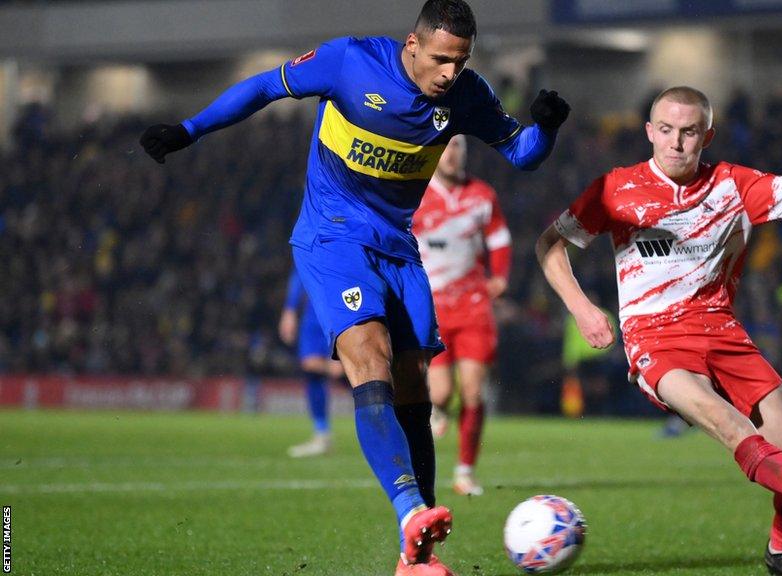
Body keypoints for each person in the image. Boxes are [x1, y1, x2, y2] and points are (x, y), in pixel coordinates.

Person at [140, 1, 571, 574]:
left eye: (460, 62)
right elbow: (266, 87)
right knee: (371, 359)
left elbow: (523, 156)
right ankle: (411, 509)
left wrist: (547, 126)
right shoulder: (350, 61)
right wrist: (190, 129)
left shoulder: (468, 94)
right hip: (331, 238)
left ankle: (415, 558)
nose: (449, 73)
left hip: (399, 248)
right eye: (441, 59)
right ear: (411, 45)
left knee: (416, 391)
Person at [535, 86, 782, 576]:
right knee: (730, 425)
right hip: (654, 339)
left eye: (688, 133)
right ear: (649, 132)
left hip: (722, 333)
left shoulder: (732, 184)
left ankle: (781, 553)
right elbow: (550, 244)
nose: (675, 143)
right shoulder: (616, 188)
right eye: (665, 130)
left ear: (707, 135)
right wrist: (581, 307)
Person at [411, 134, 507, 497]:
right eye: (447, 147)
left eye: (459, 148)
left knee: (472, 390)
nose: (453, 154)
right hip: (432, 307)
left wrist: (499, 276)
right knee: (441, 391)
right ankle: (438, 408)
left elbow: (499, 240)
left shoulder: (482, 195)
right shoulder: (417, 195)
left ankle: (465, 470)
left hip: (473, 305)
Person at [278, 267, 347, 458]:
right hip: (314, 308)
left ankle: (395, 413)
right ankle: (322, 434)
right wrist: (290, 309)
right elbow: (300, 268)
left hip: (342, 302)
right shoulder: (306, 239)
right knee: (311, 366)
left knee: (350, 369)